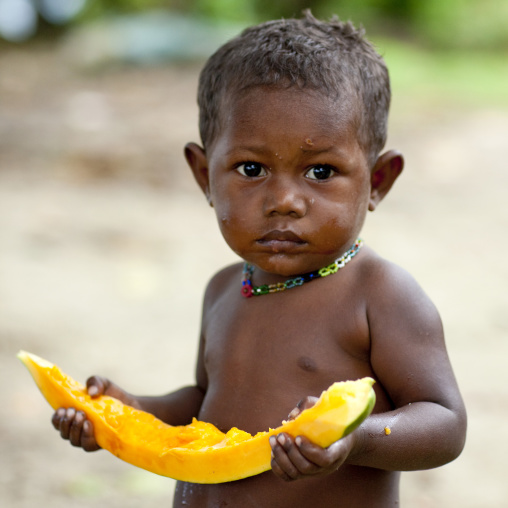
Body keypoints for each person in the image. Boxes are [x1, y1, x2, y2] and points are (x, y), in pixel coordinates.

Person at [52, 11, 467, 507]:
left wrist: (355, 438)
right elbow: (207, 406)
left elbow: (444, 421)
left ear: (377, 181)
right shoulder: (225, 289)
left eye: (320, 170)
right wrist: (131, 410)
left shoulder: (379, 294)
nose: (284, 200)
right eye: (251, 168)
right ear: (205, 175)